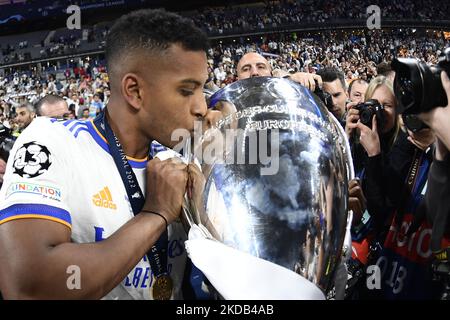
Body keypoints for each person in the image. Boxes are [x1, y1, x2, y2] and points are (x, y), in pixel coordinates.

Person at [0, 8, 209, 300]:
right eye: (187, 90)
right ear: (134, 91)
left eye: (203, 89)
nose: (201, 107)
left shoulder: (181, 159)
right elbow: (27, 287)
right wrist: (155, 214)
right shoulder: (50, 141)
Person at [236, 52, 322, 92]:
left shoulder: (289, 98)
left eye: (261, 67)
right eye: (246, 69)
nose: (254, 73)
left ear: (271, 73)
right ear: (237, 80)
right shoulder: (227, 111)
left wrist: (293, 80)